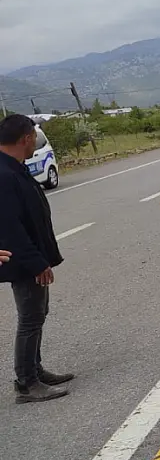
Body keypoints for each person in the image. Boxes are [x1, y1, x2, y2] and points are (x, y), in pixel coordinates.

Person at [0, 114, 72, 403]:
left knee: (37, 315)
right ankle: (27, 382)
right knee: (30, 318)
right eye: (33, 137)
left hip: (32, 256)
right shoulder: (4, 175)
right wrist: (36, 262)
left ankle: (35, 370)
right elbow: (10, 227)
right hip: (23, 260)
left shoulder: (15, 168)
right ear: (26, 138)